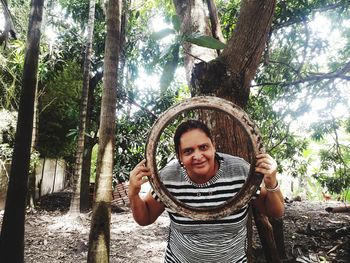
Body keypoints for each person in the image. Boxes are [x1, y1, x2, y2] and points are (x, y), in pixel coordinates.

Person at [128, 119, 284, 263]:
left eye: (203, 147)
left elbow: (275, 211)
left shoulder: (239, 171)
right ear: (179, 156)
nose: (198, 156)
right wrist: (133, 194)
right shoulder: (169, 177)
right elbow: (145, 217)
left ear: (213, 146)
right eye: (188, 151)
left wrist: (272, 183)